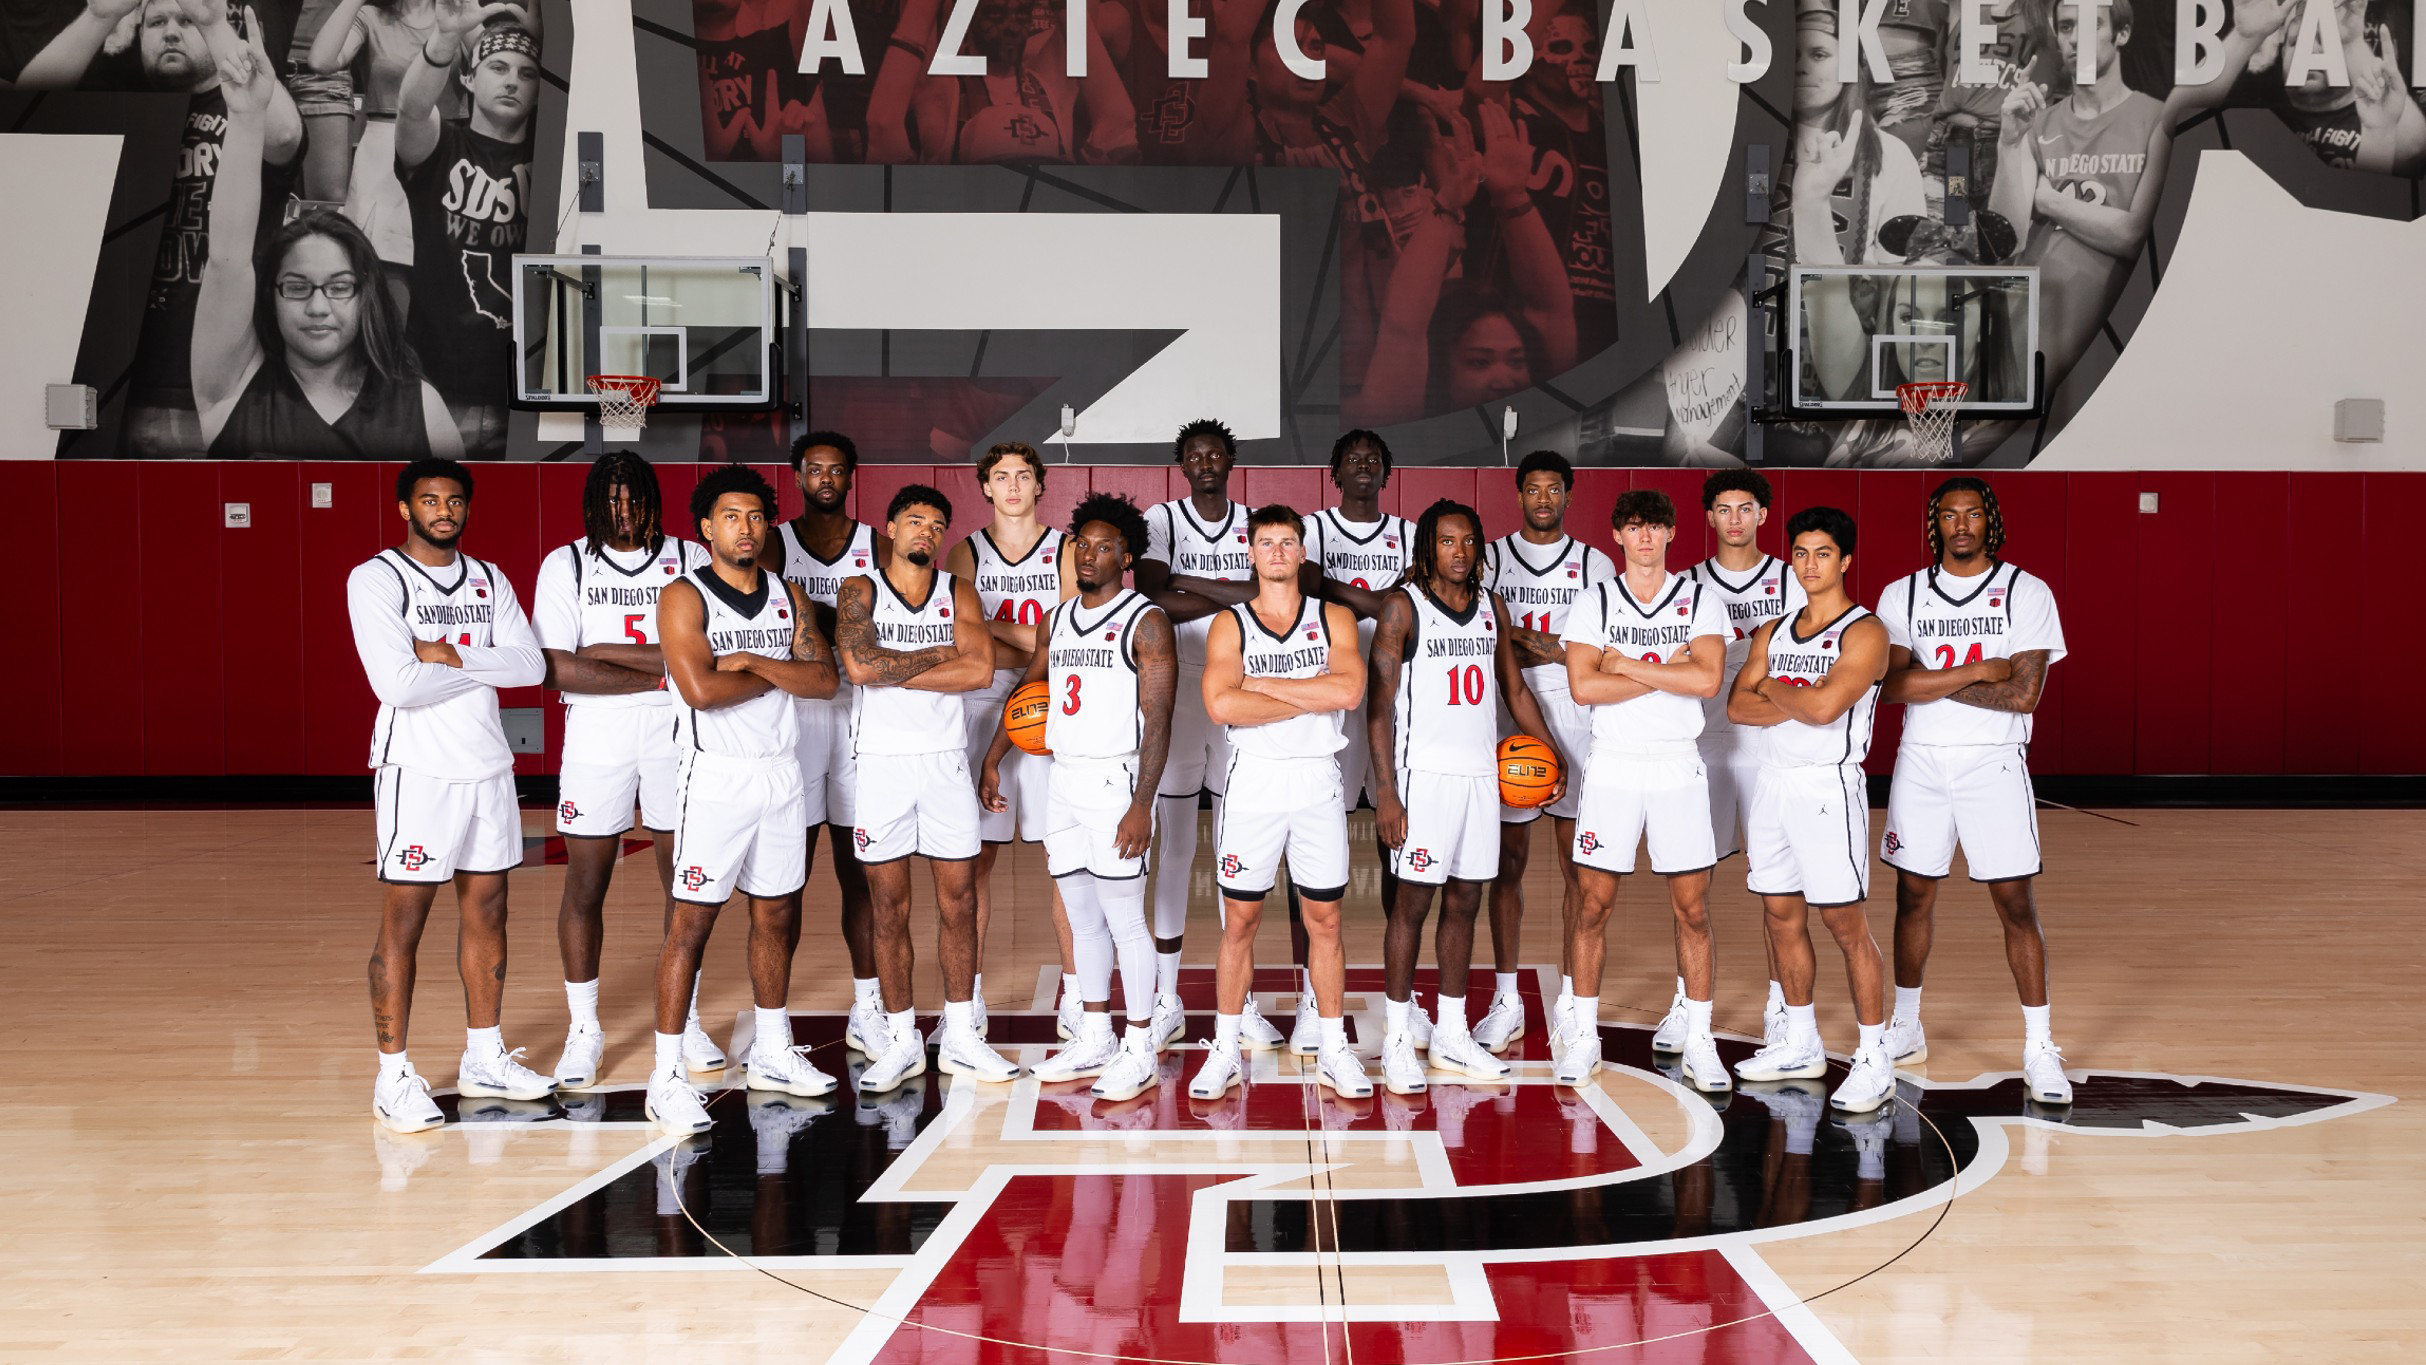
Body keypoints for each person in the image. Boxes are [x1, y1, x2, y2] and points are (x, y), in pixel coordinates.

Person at [643, 465, 843, 1136]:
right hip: (716, 778)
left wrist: (754, 665)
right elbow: (699, 689)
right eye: (732, 516)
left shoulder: (788, 593)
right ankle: (665, 1074)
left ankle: (773, 1050)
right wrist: (773, 671)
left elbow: (822, 680)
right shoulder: (684, 596)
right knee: (690, 923)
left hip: (781, 774)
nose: (747, 527)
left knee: (777, 915)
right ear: (706, 528)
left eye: (757, 516)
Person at [350, 457, 548, 1133]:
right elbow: (397, 684)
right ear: (405, 508)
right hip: (418, 769)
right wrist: (474, 661)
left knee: (488, 913)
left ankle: (484, 1056)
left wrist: (450, 655)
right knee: (403, 921)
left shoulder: (489, 577)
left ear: (467, 508)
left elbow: (531, 664)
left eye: (454, 499)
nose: (443, 509)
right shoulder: (377, 577)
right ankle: (392, 1073)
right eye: (429, 499)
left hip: (488, 765)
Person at [27, 0, 304, 454]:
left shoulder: (248, 108)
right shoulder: (117, 106)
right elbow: (24, 104)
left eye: (186, 21)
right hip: (110, 384)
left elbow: (285, 136)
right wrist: (99, 17)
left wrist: (214, 23)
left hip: (218, 389)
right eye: (157, 22)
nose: (171, 32)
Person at [1875, 478, 2073, 1105]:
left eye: (1972, 514)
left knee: (2015, 902)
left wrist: (1933, 680)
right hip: (1922, 763)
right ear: (1934, 524)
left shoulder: (2027, 591)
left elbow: (2023, 695)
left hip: (1994, 763)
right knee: (1912, 896)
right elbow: (1890, 687)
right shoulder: (1900, 592)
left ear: (1989, 521)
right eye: (1949, 515)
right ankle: (1905, 1026)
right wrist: (1976, 670)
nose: (1961, 524)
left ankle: (2040, 1046)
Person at [531, 455, 719, 1089]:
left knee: (683, 881)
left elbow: (708, 651)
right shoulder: (566, 564)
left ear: (652, 500)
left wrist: (608, 653)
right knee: (586, 885)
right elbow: (557, 667)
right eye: (609, 500)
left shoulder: (691, 559)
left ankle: (684, 1015)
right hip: (596, 737)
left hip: (678, 732)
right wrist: (665, 665)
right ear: (592, 503)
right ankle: (584, 1027)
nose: (622, 510)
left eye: (632, 498)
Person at [190, 16, 459, 458]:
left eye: (339, 287)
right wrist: (244, 117)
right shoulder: (231, 387)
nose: (318, 307)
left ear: (365, 293)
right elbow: (227, 259)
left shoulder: (420, 406)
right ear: (270, 294)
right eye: (297, 287)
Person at [984, 494, 1177, 1102]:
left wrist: (1142, 802)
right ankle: (1095, 1033)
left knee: (1124, 919)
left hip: (1115, 782)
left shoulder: (1145, 621)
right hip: (1061, 780)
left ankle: (1139, 1044)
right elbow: (1030, 687)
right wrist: (993, 755)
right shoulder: (1058, 618)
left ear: (1127, 555)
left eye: (1103, 547)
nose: (1090, 555)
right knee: (1083, 918)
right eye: (1082, 546)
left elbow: (1160, 718)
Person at [1367, 499, 1564, 1094]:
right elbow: (1378, 706)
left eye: (1469, 541)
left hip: (1481, 780)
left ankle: (1452, 1033)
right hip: (1423, 780)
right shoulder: (1403, 608)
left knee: (1466, 901)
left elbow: (1514, 689)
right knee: (1413, 906)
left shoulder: (1491, 608)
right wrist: (1386, 791)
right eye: (1447, 542)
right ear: (1428, 547)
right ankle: (1400, 1037)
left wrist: (1552, 751)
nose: (1460, 552)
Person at [836, 484, 1023, 1092]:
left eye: (937, 525)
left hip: (946, 762)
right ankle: (899, 1038)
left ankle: (963, 1035)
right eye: (915, 520)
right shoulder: (860, 589)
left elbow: (980, 669)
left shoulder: (958, 591)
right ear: (890, 526)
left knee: (960, 903)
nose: (927, 532)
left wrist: (896, 662)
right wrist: (936, 652)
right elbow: (860, 669)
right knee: (889, 907)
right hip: (883, 765)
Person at [1189, 505, 1370, 1101]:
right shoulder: (1230, 624)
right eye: (1265, 543)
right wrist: (1307, 697)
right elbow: (1220, 706)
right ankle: (1224, 1047)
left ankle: (1335, 1046)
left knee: (1327, 920)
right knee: (1239, 921)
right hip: (1255, 783)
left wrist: (1261, 685)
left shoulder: (1335, 616)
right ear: (1251, 552)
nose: (1276, 552)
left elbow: (1347, 689)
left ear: (1301, 552)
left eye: (1287, 543)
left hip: (1317, 781)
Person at [1555, 490, 1732, 1091]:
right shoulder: (1593, 601)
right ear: (1617, 537)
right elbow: (1582, 688)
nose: (1646, 538)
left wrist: (1624, 664)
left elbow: (1707, 680)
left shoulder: (1700, 599)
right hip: (1613, 768)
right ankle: (1583, 1035)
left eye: (1655, 527)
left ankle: (1702, 1042)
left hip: (1678, 767)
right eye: (1634, 528)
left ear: (1673, 533)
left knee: (1693, 909)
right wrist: (1665, 669)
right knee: (1593, 905)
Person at [1725, 506, 1895, 1114]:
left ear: (1845, 559)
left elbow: (1826, 712)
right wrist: (1797, 694)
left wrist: (1775, 688)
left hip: (1829, 788)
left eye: (1822, 553)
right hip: (1773, 783)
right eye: (1800, 553)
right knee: (1779, 917)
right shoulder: (1773, 629)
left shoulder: (1865, 632)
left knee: (1845, 926)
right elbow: (1738, 710)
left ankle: (1875, 1056)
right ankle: (1800, 1040)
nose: (1809, 564)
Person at [1134, 420, 1270, 1053]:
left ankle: (1236, 1004)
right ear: (1181, 464)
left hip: (1241, 689)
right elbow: (1154, 596)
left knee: (1236, 850)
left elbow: (1269, 593)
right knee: (1176, 849)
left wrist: (1197, 589)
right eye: (1195, 456)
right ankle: (1166, 998)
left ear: (1232, 461)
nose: (1207, 463)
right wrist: (1234, 598)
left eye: (1217, 454)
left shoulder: (1252, 519)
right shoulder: (1162, 517)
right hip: (1181, 693)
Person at [1662, 469, 1806, 1057]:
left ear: (1763, 516)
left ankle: (1778, 1003)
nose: (1735, 520)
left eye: (1745, 508)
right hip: (1704, 745)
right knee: (1690, 886)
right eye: (1724, 509)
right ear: (1710, 518)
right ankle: (1685, 1000)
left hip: (1770, 747)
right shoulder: (1686, 583)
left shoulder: (1792, 580)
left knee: (1777, 888)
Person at [1474, 451, 1610, 1053]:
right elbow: (1491, 642)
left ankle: (1572, 1002)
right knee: (1507, 867)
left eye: (1554, 489)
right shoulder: (1492, 560)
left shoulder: (1595, 563)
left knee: (1577, 869)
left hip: (1578, 717)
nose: (1543, 499)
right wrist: (1549, 645)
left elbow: (1597, 650)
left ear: (1569, 495)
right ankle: (1507, 999)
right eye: (1533, 490)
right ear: (1519, 494)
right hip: (1508, 713)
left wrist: (1548, 647)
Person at [941, 443, 1077, 1038]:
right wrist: (1035, 637)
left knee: (1066, 863)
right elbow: (965, 636)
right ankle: (965, 1003)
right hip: (980, 703)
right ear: (986, 488)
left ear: (1040, 486)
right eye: (1002, 477)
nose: (1014, 485)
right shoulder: (965, 551)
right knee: (974, 864)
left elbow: (1072, 631)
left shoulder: (1066, 548)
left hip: (1051, 705)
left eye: (1024, 475)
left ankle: (1079, 999)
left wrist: (1025, 643)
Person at [762, 432, 887, 1063]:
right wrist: (842, 615)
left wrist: (809, 610)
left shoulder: (878, 546)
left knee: (860, 870)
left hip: (861, 717)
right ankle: (774, 1025)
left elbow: (885, 624)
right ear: (797, 476)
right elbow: (773, 618)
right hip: (796, 716)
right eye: (816, 470)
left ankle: (868, 1006)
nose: (827, 479)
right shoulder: (771, 542)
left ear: (851, 476)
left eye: (838, 470)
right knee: (788, 877)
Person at [1297, 429, 1411, 1050]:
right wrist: (1381, 603)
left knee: (1399, 846)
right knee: (1317, 859)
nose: (1363, 467)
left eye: (1374, 459)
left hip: (1399, 701)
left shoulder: (1409, 530)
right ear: (1334, 472)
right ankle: (1315, 999)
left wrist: (1355, 598)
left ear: (1386, 472)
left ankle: (1403, 994)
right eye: (1352, 460)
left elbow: (1415, 602)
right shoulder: (1310, 530)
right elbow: (1312, 588)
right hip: (1330, 703)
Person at [1987, 0, 2167, 387]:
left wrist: (2050, 200)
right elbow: (2005, 239)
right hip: (2029, 338)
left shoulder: (2159, 120)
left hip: (2114, 347)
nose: (2076, 39)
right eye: (2067, 27)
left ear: (2122, 33)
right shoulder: (2037, 122)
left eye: (2091, 26)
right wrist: (2009, 144)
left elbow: (2134, 235)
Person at [394, 7, 535, 456]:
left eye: (527, 73)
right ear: (470, 80)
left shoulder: (553, 158)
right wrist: (444, 38)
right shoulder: (442, 144)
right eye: (498, 67)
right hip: (436, 387)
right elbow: (412, 108)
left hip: (522, 395)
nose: (512, 80)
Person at [310, 0, 466, 287]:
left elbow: (492, 59)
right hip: (381, 157)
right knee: (381, 284)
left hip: (445, 154)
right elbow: (322, 61)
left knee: (442, 281)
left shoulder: (454, 11)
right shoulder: (371, 16)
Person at [865, 0, 1135, 163]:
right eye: (997, 15)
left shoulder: (943, 103)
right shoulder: (1050, 87)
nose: (1008, 25)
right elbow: (1118, 120)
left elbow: (882, 123)